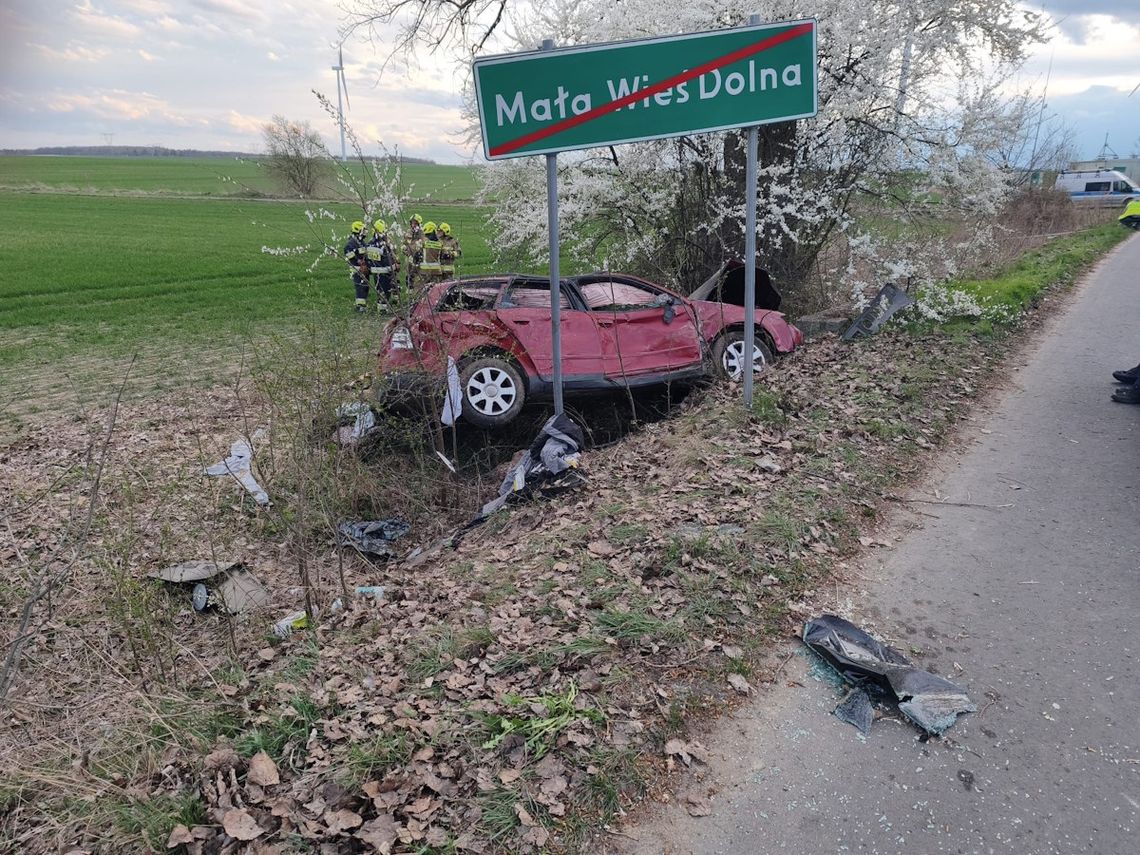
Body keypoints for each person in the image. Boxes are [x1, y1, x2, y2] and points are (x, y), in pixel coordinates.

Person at [366, 219, 399, 312]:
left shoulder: (370, 243)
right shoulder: (384, 245)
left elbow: (368, 258)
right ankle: (383, 310)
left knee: (379, 290)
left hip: (375, 271)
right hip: (385, 271)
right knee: (386, 290)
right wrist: (395, 266)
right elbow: (388, 259)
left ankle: (381, 308)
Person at [343, 220, 370, 313]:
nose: (365, 232)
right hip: (357, 269)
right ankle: (360, 306)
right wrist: (358, 261)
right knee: (360, 287)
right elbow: (347, 252)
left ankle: (363, 304)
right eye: (363, 230)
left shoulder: (361, 242)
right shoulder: (352, 243)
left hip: (364, 269)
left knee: (365, 286)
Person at [403, 213, 425, 289]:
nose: (413, 225)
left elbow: (424, 244)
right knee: (408, 273)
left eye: (415, 223)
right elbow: (405, 243)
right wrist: (404, 249)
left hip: (419, 257)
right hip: (409, 256)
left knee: (418, 273)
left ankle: (418, 288)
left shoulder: (422, 233)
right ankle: (409, 288)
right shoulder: (408, 232)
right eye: (412, 223)